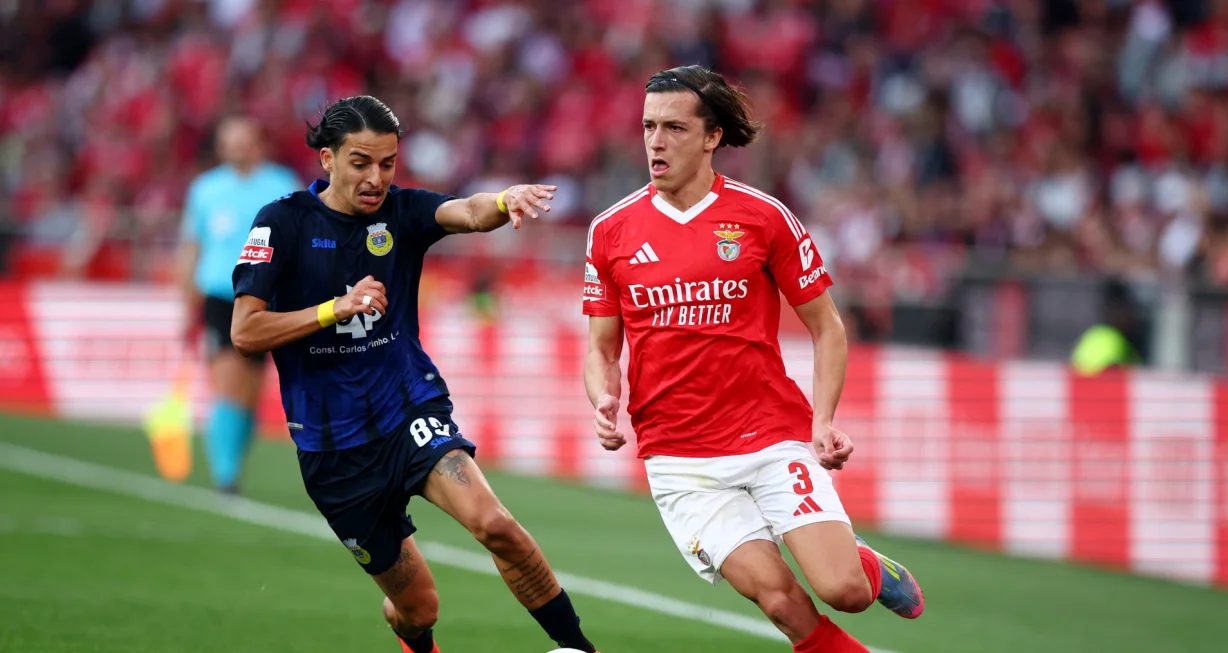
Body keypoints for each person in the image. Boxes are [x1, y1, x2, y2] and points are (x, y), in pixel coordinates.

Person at [230, 96, 598, 653]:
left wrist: (504, 199)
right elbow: (245, 331)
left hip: (408, 413)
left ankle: (580, 649)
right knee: (417, 607)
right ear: (326, 159)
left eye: (388, 163)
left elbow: (468, 213)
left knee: (495, 525)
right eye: (361, 162)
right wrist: (336, 308)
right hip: (334, 451)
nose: (376, 178)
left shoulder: (401, 213)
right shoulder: (281, 222)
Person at [582, 65, 925, 653]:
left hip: (769, 433)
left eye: (672, 128)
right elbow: (600, 348)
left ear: (712, 136)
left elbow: (828, 326)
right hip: (678, 455)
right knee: (780, 601)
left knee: (842, 590)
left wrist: (822, 422)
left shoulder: (763, 217)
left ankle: (864, 565)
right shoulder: (611, 229)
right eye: (647, 128)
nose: (655, 142)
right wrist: (603, 396)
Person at [175, 116, 301, 493]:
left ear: (258, 143)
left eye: (244, 140)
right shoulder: (206, 189)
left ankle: (231, 462)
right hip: (220, 295)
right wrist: (186, 303)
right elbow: (191, 247)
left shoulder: (281, 185)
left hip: (267, 298)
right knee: (228, 383)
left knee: (249, 393)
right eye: (230, 141)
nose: (237, 148)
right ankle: (225, 475)